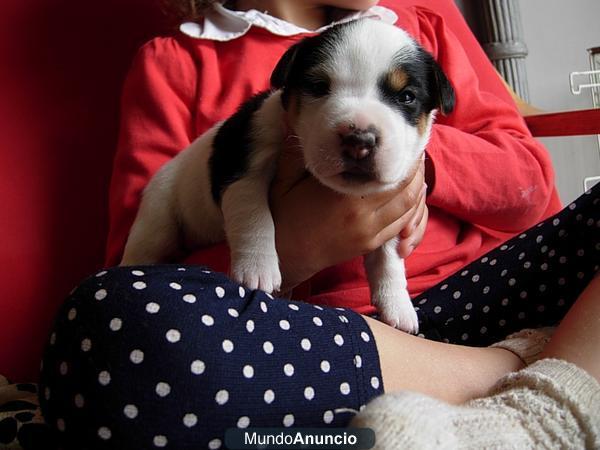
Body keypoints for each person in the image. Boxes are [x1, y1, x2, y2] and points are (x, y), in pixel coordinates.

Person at [39, 0, 600, 448]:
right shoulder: (178, 62)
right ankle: (520, 371)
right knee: (112, 329)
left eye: (404, 99)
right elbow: (132, 273)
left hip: (473, 295)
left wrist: (416, 163)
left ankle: (513, 391)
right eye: (320, 91)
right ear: (289, 99)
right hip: (306, 339)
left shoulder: (422, 19)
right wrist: (302, 240)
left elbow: (529, 185)